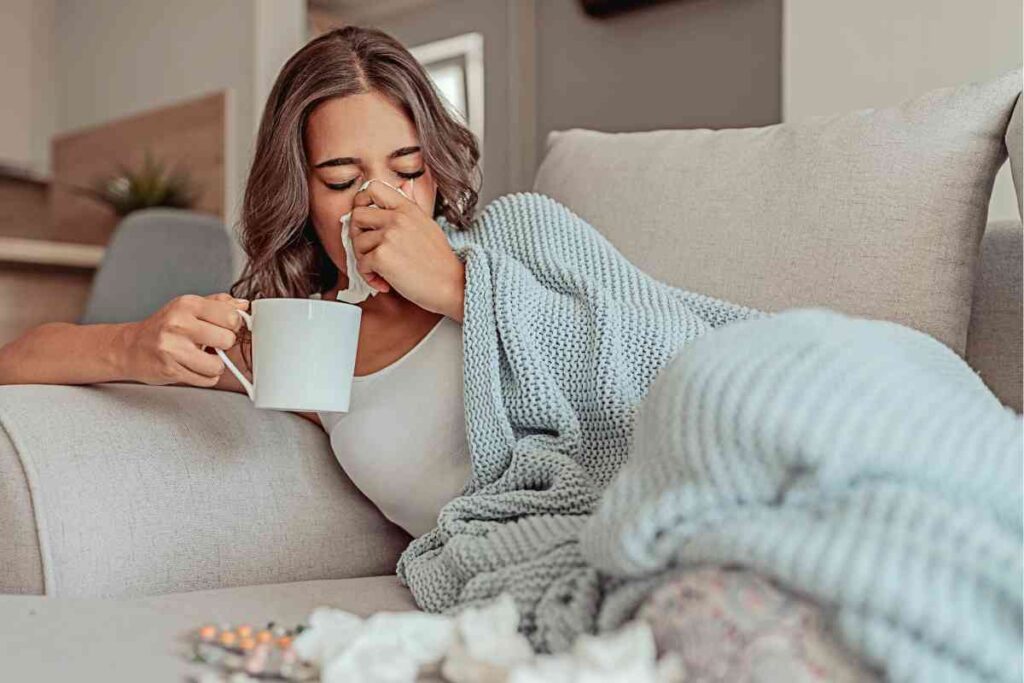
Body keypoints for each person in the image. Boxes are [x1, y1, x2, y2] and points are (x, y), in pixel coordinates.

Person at [0, 25, 482, 539]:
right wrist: (133, 344)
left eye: (407, 168)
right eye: (341, 182)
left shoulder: (515, 252)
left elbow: (580, 361)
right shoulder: (303, 336)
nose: (377, 201)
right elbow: (14, 364)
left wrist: (457, 288)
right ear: (301, 194)